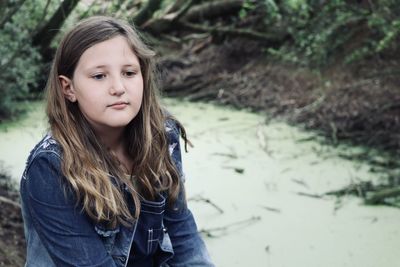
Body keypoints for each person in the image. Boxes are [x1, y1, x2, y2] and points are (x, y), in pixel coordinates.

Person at [20, 16, 214, 267]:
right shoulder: (50, 167)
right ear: (68, 88)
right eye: (100, 76)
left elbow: (183, 237)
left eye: (129, 73)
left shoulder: (162, 137)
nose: (118, 87)